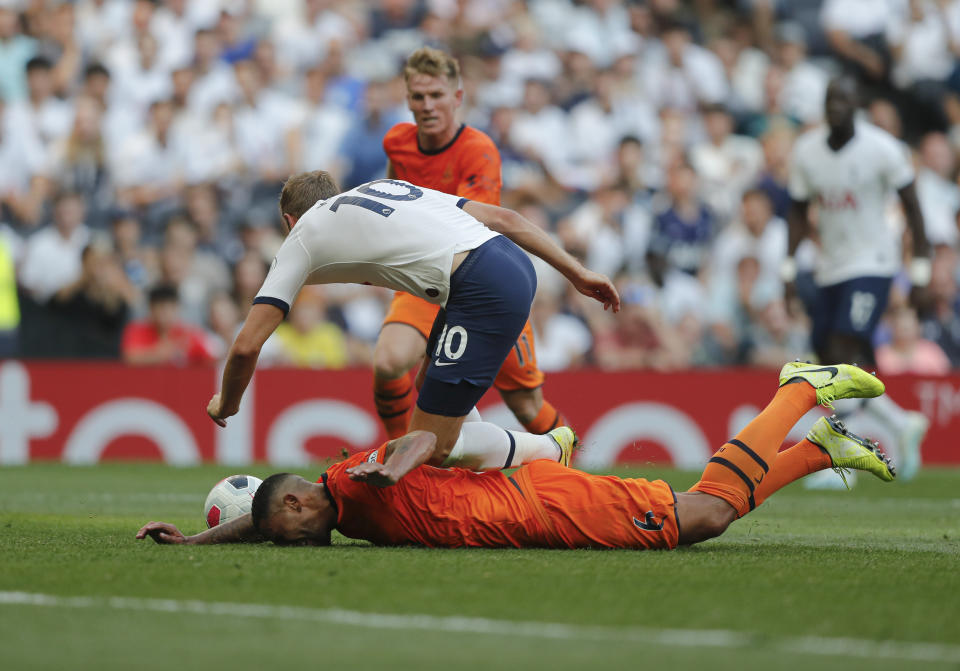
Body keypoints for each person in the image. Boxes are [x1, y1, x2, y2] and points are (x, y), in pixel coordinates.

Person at [138, 362, 895, 549]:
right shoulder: (334, 502)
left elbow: (418, 441)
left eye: (282, 531)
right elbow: (265, 512)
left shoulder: (350, 481)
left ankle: (797, 395)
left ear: (299, 504)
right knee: (706, 515)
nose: (292, 539)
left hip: (540, 503)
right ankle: (817, 452)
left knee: (705, 515)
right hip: (532, 500)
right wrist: (195, 541)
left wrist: (396, 461)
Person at [204, 170, 618, 472]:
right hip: (502, 264)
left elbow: (245, 345)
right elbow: (506, 219)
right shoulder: (387, 188)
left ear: (288, 220)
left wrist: (228, 402)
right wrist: (577, 272)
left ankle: (550, 449)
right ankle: (472, 478)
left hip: (481, 286)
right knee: (428, 395)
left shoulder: (301, 237)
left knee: (432, 445)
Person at [373, 47, 572, 441]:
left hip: (482, 286)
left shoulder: (478, 151)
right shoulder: (397, 141)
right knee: (388, 363)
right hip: (425, 281)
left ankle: (580, 476)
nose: (427, 105)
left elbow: (466, 228)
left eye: (436, 95)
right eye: (418, 96)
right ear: (408, 99)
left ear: (457, 98)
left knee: (527, 406)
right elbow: (393, 196)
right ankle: (397, 457)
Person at [786, 76, 931, 481]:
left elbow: (914, 207)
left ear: (857, 105)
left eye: (843, 100)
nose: (836, 107)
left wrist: (918, 270)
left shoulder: (882, 149)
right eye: (831, 100)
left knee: (841, 343)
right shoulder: (807, 151)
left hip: (874, 262)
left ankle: (835, 456)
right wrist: (787, 268)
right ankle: (901, 424)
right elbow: (797, 211)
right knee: (831, 358)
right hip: (829, 266)